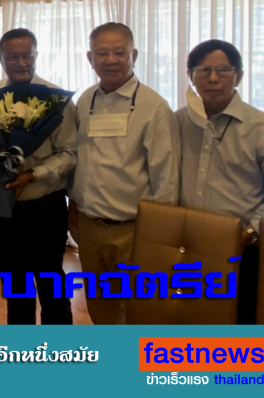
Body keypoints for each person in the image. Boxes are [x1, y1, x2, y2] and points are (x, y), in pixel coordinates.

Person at [69, 23, 180, 324]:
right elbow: (79, 161)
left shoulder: (153, 107)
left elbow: (167, 180)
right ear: (90, 58)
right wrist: (74, 207)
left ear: (134, 56)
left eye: (119, 53)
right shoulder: (85, 100)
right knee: (101, 307)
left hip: (133, 231)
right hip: (89, 227)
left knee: (139, 311)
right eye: (101, 53)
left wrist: (156, 237)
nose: (111, 60)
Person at [0, 28, 76, 325]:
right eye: (12, 57)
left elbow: (70, 153)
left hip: (46, 207)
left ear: (36, 55)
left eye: (27, 55)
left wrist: (32, 174)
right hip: (4, 208)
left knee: (52, 288)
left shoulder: (57, 98)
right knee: (16, 291)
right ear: (0, 58)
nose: (21, 63)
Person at [176, 39, 264, 324]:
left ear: (238, 76)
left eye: (223, 70)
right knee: (190, 317)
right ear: (190, 76)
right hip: (187, 243)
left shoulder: (261, 127)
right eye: (203, 70)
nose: (213, 78)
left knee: (239, 322)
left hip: (241, 246)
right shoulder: (177, 121)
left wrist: (250, 231)